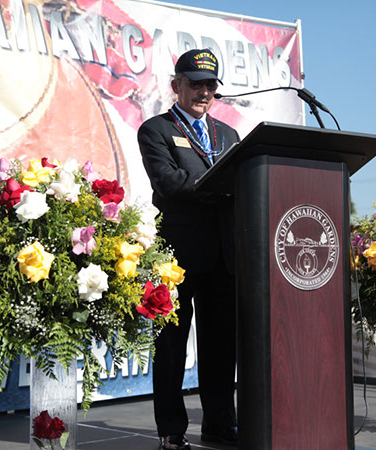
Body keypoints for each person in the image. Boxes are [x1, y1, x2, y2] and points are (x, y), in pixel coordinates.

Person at [137, 49, 239, 450]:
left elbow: (242, 182)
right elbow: (168, 182)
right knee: (170, 348)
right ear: (176, 85)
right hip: (175, 258)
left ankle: (219, 423)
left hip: (224, 255)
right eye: (195, 83)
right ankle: (171, 430)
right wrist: (219, 189)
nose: (204, 91)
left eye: (210, 85)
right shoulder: (156, 130)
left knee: (220, 348)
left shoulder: (229, 136)